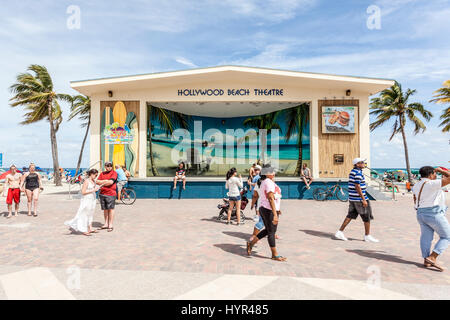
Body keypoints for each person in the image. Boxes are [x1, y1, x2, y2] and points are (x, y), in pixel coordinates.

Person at [413, 166, 450, 272]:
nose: (436, 176)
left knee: (426, 237)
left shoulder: (416, 185)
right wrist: (442, 170)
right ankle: (432, 257)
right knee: (447, 236)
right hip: (433, 213)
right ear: (430, 174)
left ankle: (426, 260)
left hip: (420, 213)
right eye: (435, 174)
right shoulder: (431, 183)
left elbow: (415, 198)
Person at [335, 158, 379, 242]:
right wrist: (364, 199)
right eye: (362, 162)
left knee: (350, 215)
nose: (364, 163)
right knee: (366, 217)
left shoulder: (353, 171)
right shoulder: (358, 173)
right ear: (357, 164)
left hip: (353, 198)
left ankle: (340, 232)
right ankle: (367, 236)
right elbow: (357, 186)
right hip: (359, 199)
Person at [247, 166, 285, 261]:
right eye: (272, 172)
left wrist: (277, 209)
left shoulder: (266, 181)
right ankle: (274, 254)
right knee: (271, 232)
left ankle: (251, 243)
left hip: (266, 209)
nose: (274, 174)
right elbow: (270, 198)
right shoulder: (268, 182)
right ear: (267, 173)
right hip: (268, 210)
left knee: (268, 230)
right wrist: (275, 214)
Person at [65, 169, 102, 236]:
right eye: (95, 175)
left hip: (92, 199)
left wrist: (96, 188)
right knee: (84, 214)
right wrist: (93, 190)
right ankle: (83, 229)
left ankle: (90, 228)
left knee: (90, 213)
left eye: (97, 175)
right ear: (91, 174)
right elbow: (83, 192)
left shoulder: (93, 181)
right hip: (87, 199)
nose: (96, 176)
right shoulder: (86, 181)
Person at [96, 162, 118, 232]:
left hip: (111, 193)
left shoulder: (114, 173)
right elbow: (97, 181)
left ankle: (110, 224)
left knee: (111, 209)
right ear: (105, 166)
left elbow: (111, 182)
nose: (109, 167)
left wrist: (102, 182)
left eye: (110, 166)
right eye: (107, 166)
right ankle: (106, 223)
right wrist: (106, 181)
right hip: (102, 193)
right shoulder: (102, 173)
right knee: (105, 209)